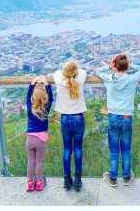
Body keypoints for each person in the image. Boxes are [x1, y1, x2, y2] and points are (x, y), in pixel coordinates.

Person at [96, 54, 140, 187]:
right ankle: (126, 176)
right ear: (127, 66)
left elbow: (98, 71)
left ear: (115, 67)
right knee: (126, 149)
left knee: (113, 150)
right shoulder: (132, 79)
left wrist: (109, 66)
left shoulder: (109, 79)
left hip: (113, 116)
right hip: (126, 117)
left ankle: (112, 177)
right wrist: (130, 66)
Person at [54, 60, 87, 192]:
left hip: (65, 118)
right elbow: (83, 71)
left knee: (67, 149)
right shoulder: (81, 78)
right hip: (78, 117)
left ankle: (67, 179)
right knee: (78, 149)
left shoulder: (58, 78)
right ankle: (78, 179)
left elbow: (57, 72)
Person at [26, 76, 53, 192]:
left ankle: (30, 183)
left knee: (30, 162)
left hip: (30, 139)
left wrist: (33, 83)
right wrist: (46, 83)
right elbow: (51, 97)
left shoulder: (29, 109)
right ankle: (40, 182)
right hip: (40, 140)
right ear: (45, 99)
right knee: (39, 162)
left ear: (33, 98)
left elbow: (27, 96)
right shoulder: (46, 109)